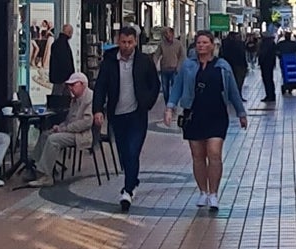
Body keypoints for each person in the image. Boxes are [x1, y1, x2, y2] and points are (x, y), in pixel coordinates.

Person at [165, 30, 248, 212]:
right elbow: (177, 87)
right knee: (198, 155)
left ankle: (214, 193)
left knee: (214, 153)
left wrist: (241, 113)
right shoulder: (188, 66)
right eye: (199, 43)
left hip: (217, 114)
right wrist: (170, 107)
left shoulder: (223, 66)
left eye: (205, 42)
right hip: (194, 114)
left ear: (212, 45)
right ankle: (203, 191)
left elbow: (233, 90)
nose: (201, 46)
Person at [93, 25, 161, 211]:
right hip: (117, 115)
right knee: (124, 153)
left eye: (130, 42)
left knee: (133, 151)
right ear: (118, 41)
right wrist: (98, 109)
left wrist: (147, 103)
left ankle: (128, 191)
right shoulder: (109, 61)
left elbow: (154, 84)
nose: (126, 46)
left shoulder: (144, 61)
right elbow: (100, 87)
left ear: (135, 42)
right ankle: (133, 180)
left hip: (137, 115)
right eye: (123, 42)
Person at [27, 72, 95, 187]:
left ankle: (46, 176)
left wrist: (65, 129)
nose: (70, 88)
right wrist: (60, 127)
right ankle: (35, 167)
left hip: (82, 135)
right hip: (71, 131)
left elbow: (86, 122)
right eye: (69, 85)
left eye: (73, 85)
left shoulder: (90, 98)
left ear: (82, 84)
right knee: (45, 134)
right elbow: (69, 119)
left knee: (54, 139)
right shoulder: (75, 99)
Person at [157, 27, 186, 103]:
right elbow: (157, 55)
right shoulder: (162, 44)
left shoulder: (178, 44)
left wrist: (178, 67)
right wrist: (153, 64)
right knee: (165, 88)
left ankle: (173, 103)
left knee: (174, 88)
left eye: (168, 33)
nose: (167, 35)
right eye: (165, 34)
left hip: (174, 69)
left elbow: (182, 56)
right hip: (164, 69)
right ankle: (167, 103)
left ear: (172, 34)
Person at [48, 24, 76, 95]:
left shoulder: (56, 44)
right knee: (59, 97)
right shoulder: (64, 45)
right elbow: (66, 62)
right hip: (63, 77)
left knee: (60, 96)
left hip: (57, 76)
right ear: (69, 33)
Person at [258, 30, 278, 102]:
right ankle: (271, 95)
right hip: (270, 63)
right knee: (269, 79)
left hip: (266, 64)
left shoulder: (266, 43)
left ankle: (269, 96)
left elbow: (263, 53)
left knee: (267, 79)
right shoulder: (271, 43)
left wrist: (260, 61)